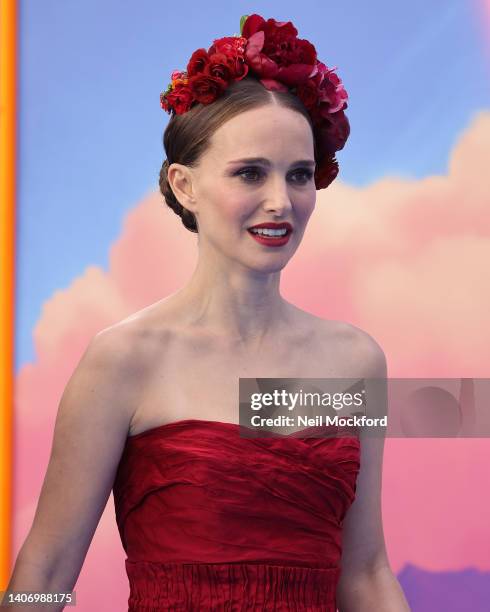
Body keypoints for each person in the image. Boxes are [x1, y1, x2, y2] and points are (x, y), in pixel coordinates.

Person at [3, 13, 410, 612]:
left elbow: (366, 572)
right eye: (250, 172)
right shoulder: (124, 360)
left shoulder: (352, 360)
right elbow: (48, 567)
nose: (281, 202)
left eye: (299, 175)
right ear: (184, 185)